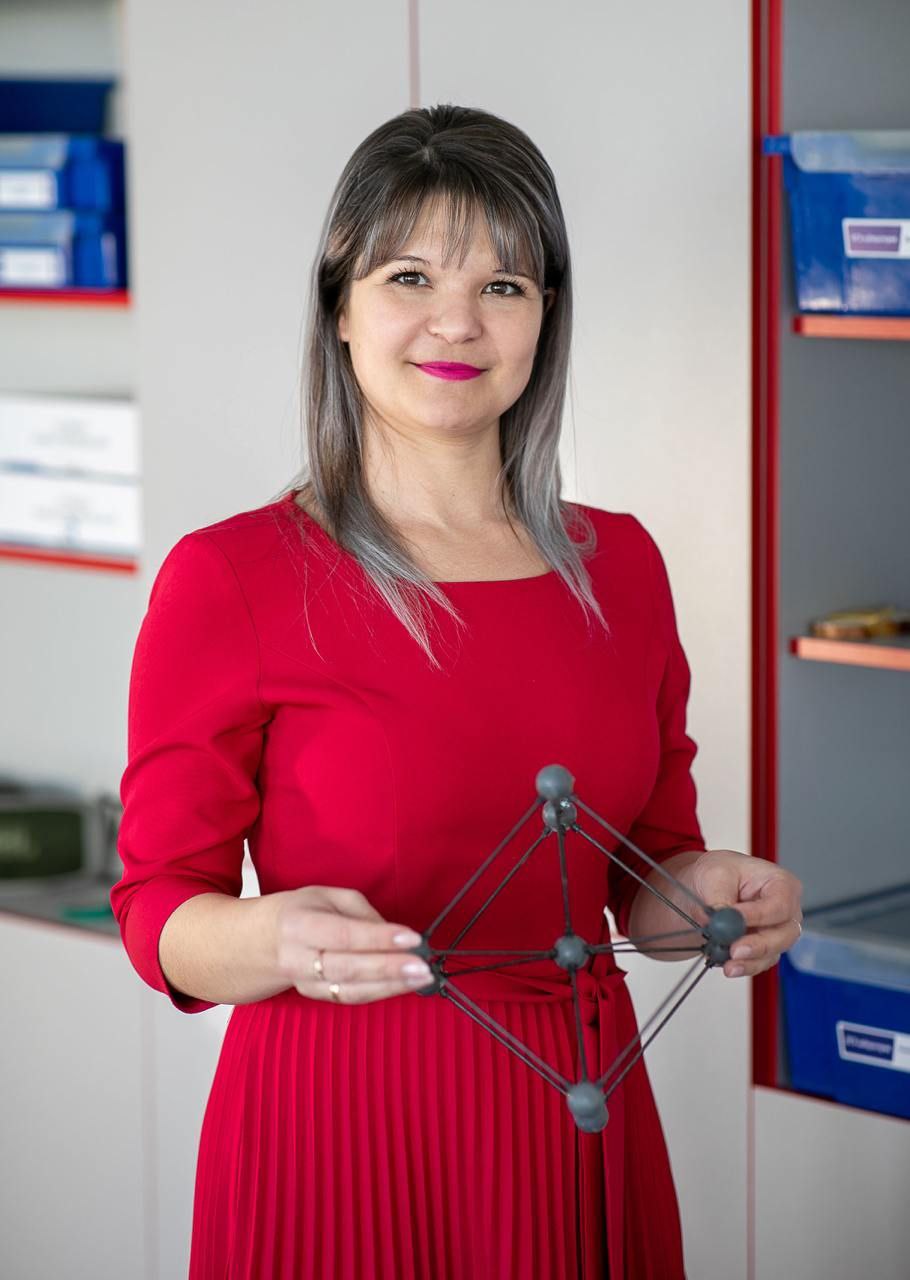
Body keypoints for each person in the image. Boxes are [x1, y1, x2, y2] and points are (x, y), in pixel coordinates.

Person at [110, 103, 803, 1280]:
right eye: (410, 276)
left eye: (503, 286)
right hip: (340, 1122)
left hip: (574, 1113)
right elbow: (158, 908)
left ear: (544, 319)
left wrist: (713, 895)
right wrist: (274, 939)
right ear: (340, 307)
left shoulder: (622, 565)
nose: (456, 321)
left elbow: (644, 869)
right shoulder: (230, 577)